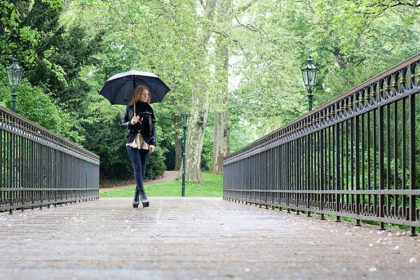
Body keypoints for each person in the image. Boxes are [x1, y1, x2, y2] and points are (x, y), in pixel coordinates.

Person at [121, 85, 156, 208]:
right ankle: (143, 194)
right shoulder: (130, 108)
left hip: (146, 141)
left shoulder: (150, 109)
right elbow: (122, 124)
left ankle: (136, 197)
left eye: (147, 94)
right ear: (138, 95)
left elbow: (153, 128)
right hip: (133, 141)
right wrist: (131, 122)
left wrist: (153, 143)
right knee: (137, 166)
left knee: (142, 169)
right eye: (143, 94)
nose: (146, 96)